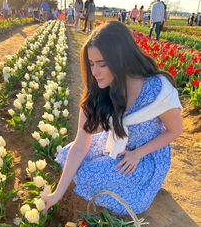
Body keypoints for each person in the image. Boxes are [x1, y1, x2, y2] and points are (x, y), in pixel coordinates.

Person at [42, 21, 182, 216]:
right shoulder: (100, 91)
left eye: (102, 64)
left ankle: (143, 188)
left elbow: (175, 131)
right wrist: (57, 194)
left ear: (121, 59)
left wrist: (138, 153)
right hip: (118, 143)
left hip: (145, 156)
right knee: (69, 156)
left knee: (89, 174)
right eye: (91, 64)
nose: (95, 72)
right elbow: (81, 143)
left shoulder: (156, 90)